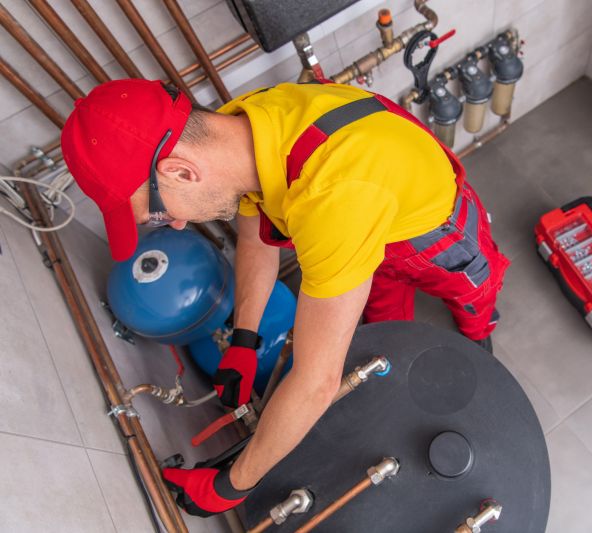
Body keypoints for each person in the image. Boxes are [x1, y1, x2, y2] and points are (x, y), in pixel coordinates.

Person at [60, 78, 509, 516]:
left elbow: (316, 383)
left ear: (180, 171)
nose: (175, 225)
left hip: (438, 237)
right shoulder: (244, 125)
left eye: (158, 211)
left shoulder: (333, 198)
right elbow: (258, 230)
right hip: (378, 220)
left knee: (474, 299)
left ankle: (480, 337)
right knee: (386, 320)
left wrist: (231, 485)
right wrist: (244, 340)